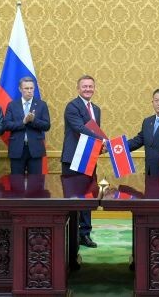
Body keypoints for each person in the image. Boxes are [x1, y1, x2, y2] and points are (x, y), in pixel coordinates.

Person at [61, 75, 104, 248]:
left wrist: (102, 145)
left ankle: (84, 234)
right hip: (73, 158)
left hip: (88, 158)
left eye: (90, 86)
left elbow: (95, 134)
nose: (88, 89)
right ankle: (70, 235)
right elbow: (80, 128)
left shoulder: (96, 109)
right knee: (72, 199)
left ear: (94, 88)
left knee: (88, 197)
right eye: (84, 86)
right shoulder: (72, 106)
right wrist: (103, 140)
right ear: (78, 88)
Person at [5, 77, 51, 174]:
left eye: (31, 88)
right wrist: (23, 122)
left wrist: (33, 120)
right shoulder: (12, 105)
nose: (29, 91)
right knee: (16, 183)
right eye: (26, 88)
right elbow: (7, 125)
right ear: (20, 89)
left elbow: (46, 126)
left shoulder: (41, 105)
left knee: (35, 183)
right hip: (17, 149)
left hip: (35, 149)